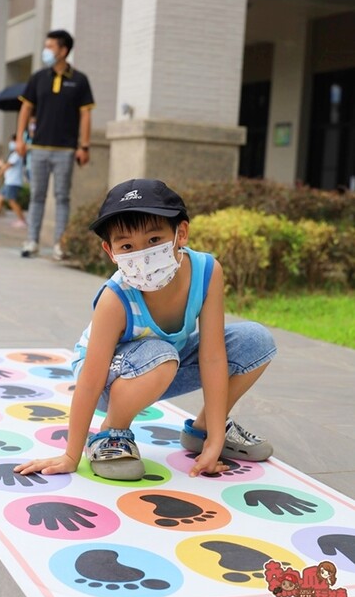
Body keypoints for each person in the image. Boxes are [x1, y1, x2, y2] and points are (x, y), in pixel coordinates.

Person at [15, 178, 277, 481]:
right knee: (161, 353)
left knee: (256, 340)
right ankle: (112, 433)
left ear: (181, 233)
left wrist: (215, 440)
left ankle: (203, 431)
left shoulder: (207, 271)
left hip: (166, 364)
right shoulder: (115, 297)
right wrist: (70, 455)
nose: (142, 254)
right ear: (110, 251)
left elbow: (214, 356)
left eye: (154, 240)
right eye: (127, 246)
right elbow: (91, 379)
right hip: (108, 380)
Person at [16, 29, 95, 260]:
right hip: (38, 148)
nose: (46, 50)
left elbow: (86, 115)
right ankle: (31, 241)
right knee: (36, 196)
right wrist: (20, 138)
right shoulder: (38, 78)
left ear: (64, 50)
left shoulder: (80, 80)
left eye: (50, 46)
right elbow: (26, 109)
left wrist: (85, 146)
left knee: (62, 197)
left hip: (66, 150)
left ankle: (60, 244)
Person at [0, 134, 27, 229]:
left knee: (12, 201)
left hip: (13, 182)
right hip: (9, 182)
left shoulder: (16, 155)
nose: (11, 144)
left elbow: (7, 167)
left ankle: (22, 220)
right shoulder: (14, 154)